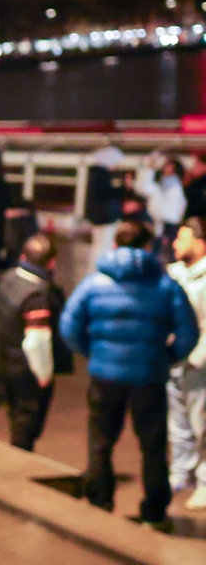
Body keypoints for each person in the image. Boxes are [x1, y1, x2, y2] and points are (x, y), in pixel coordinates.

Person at [61, 218, 199, 529]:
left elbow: (69, 326)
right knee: (152, 446)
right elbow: (188, 333)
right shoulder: (165, 285)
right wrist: (166, 358)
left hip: (104, 375)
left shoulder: (94, 282)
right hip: (149, 376)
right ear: (149, 247)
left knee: (100, 441)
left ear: (114, 244)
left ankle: (99, 500)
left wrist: (92, 352)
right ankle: (153, 511)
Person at [0, 234, 69, 453]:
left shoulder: (8, 278)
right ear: (51, 262)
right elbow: (37, 342)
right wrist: (44, 373)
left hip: (8, 361)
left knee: (15, 414)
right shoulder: (37, 296)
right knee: (27, 423)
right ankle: (20, 462)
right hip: (28, 370)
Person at [169, 218, 206, 511]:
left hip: (198, 366)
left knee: (201, 425)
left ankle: (205, 482)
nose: (174, 244)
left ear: (200, 242)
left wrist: (196, 359)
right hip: (173, 363)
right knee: (178, 424)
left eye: (182, 238)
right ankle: (181, 473)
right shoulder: (173, 274)